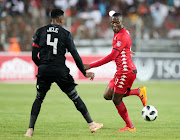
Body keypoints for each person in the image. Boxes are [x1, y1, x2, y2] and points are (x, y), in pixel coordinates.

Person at [24, 9, 103, 137]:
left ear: (51, 19)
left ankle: (30, 130)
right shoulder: (65, 34)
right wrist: (84, 72)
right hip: (60, 71)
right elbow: (75, 55)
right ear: (61, 20)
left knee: (39, 98)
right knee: (75, 97)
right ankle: (91, 124)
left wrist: (44, 66)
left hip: (44, 70)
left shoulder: (40, 31)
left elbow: (34, 56)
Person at [84, 13, 147, 132]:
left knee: (116, 99)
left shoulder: (122, 35)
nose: (114, 24)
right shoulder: (119, 33)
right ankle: (138, 91)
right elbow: (125, 44)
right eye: (112, 22)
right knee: (107, 95)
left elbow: (112, 56)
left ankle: (130, 126)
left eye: (117, 22)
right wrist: (128, 49)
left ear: (122, 22)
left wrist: (90, 65)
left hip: (125, 72)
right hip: (122, 71)